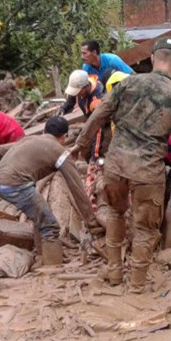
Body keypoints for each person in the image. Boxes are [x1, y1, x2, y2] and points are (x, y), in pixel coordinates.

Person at [73, 37, 171, 292]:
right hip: (147, 172)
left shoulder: (127, 83)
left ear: (153, 59)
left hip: (116, 166)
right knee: (144, 229)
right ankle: (137, 286)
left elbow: (99, 114)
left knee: (116, 214)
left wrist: (81, 143)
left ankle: (114, 274)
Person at [0, 117, 102, 266]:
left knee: (39, 216)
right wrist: (91, 221)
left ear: (45, 131)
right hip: (17, 185)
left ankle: (41, 256)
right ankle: (52, 266)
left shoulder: (29, 140)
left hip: (2, 183)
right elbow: (77, 188)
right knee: (50, 226)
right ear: (64, 137)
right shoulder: (59, 151)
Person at [60, 70, 111, 226]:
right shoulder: (83, 84)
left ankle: (99, 183)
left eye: (78, 92)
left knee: (99, 155)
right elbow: (71, 98)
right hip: (90, 122)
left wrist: (95, 156)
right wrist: (64, 110)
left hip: (104, 125)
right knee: (87, 151)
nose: (77, 95)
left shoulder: (97, 100)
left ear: (85, 88)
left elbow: (98, 130)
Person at [58, 40, 133, 115]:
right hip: (103, 98)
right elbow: (80, 87)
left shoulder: (113, 60)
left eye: (84, 53)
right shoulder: (86, 67)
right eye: (81, 53)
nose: (82, 57)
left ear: (94, 52)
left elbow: (133, 76)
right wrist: (65, 107)